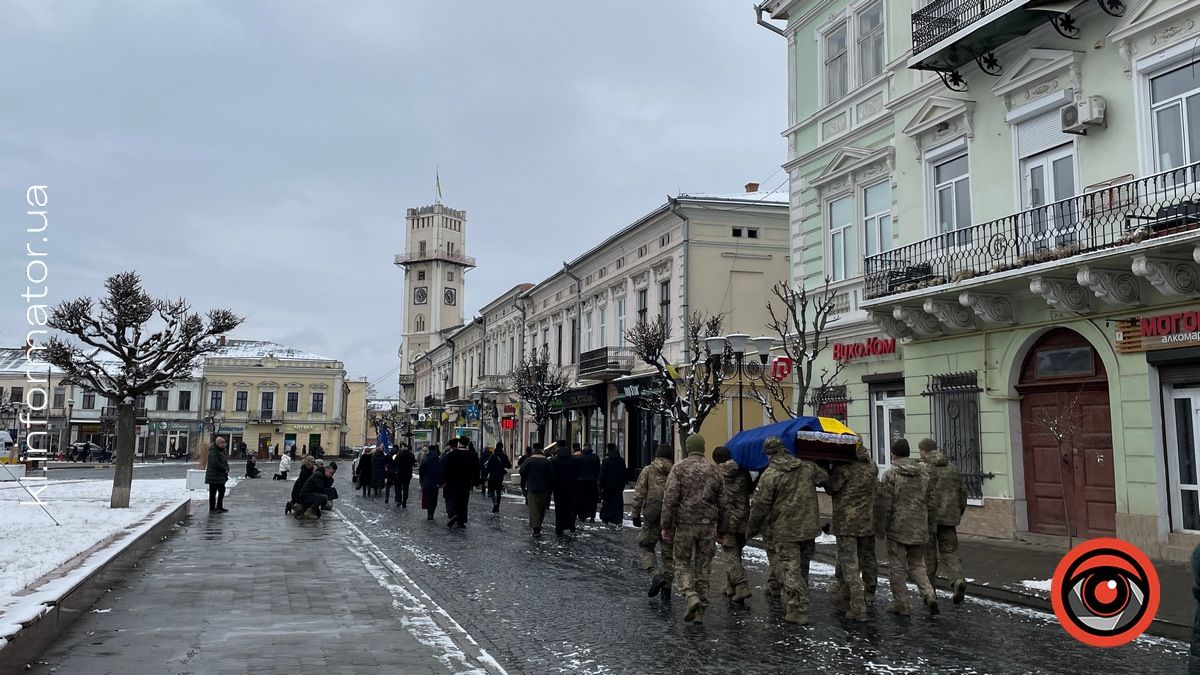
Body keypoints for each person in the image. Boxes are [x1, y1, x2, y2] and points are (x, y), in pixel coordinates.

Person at [746, 436, 829, 626]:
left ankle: (798, 609)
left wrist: (750, 528)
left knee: (790, 569)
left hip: (785, 529)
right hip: (808, 527)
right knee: (803, 568)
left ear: (769, 454)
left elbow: (760, 505)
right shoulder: (807, 467)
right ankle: (798, 601)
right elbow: (825, 478)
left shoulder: (771, 474)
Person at [661, 434, 725, 624]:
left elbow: (670, 499)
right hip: (707, 526)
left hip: (685, 525)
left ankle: (690, 595)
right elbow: (724, 502)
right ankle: (700, 611)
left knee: (680, 562)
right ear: (703, 448)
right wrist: (721, 529)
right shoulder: (714, 470)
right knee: (703, 567)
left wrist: (666, 525)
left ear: (688, 448)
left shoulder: (679, 468)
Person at [877, 438, 939, 616]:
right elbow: (930, 499)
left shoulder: (891, 475)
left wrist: (881, 527)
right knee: (918, 564)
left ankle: (901, 604)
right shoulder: (923, 473)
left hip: (898, 527)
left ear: (894, 454)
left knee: (897, 567)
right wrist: (929, 522)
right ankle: (929, 594)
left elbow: (885, 504)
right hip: (919, 526)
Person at [826, 438, 878, 621]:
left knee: (851, 567)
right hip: (866, 522)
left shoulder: (845, 467)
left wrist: (830, 470)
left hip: (847, 523)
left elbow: (832, 487)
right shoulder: (871, 466)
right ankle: (849, 595)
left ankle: (858, 607)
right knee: (861, 562)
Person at [921, 438, 968, 604]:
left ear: (923, 451)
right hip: (949, 518)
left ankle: (930, 593)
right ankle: (958, 580)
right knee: (950, 552)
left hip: (928, 519)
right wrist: (958, 513)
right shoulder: (952, 469)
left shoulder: (923, 468)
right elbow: (963, 493)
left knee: (929, 556)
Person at [632, 443, 674, 601]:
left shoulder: (648, 470)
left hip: (652, 514)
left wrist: (635, 513)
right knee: (668, 553)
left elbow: (639, 493)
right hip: (670, 516)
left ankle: (656, 574)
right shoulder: (675, 471)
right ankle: (667, 589)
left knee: (645, 545)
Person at [713, 445, 753, 607]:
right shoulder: (742, 470)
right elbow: (750, 489)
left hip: (726, 518)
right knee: (737, 552)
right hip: (743, 517)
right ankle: (731, 586)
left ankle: (742, 586)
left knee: (730, 553)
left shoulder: (716, 473)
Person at [441, 439, 481, 528]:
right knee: (463, 501)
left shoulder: (450, 455)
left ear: (459, 444)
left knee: (451, 499)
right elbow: (476, 470)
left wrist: (442, 481)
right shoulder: (472, 455)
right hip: (465, 483)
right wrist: (477, 482)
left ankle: (453, 514)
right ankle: (461, 521)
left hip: (451, 482)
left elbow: (444, 469)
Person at [519, 444, 554, 535]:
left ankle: (536, 528)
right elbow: (551, 475)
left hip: (532, 487)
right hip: (544, 489)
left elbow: (521, 471)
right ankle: (539, 525)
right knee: (541, 508)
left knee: (534, 508)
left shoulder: (528, 460)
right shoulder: (546, 461)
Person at [549, 441, 579, 536]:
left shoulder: (554, 460)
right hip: (572, 487)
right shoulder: (574, 460)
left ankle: (559, 528)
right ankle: (571, 526)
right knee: (571, 507)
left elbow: (551, 475)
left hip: (558, 489)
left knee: (559, 508)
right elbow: (578, 473)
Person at [598, 444, 626, 525]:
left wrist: (601, 486)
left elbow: (602, 474)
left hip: (608, 486)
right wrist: (623, 484)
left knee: (607, 502)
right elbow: (624, 473)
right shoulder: (621, 461)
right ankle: (617, 518)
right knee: (618, 502)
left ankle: (607, 517)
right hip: (618, 485)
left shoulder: (606, 461)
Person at [575, 445, 601, 523]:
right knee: (592, 500)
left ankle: (582, 516)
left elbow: (577, 470)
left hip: (581, 482)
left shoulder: (579, 458)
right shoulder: (595, 457)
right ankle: (592, 516)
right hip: (592, 481)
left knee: (582, 499)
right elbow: (598, 469)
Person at [484, 441, 512, 513]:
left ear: (496, 447)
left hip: (492, 476)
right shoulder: (504, 456)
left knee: (491, 490)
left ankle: (494, 502)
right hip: (500, 477)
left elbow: (488, 467)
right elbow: (509, 466)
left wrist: (485, 475)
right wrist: (503, 466)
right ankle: (498, 506)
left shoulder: (492, 456)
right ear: (502, 447)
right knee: (498, 491)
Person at [205, 436, 230, 513]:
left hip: (219, 475)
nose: (224, 444)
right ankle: (212, 509)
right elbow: (215, 463)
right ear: (218, 443)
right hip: (214, 476)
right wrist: (224, 469)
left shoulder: (221, 451)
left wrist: (227, 468)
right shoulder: (213, 451)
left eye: (224, 442)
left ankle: (219, 507)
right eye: (222, 443)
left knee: (222, 490)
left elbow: (224, 461)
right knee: (213, 492)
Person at [418, 445, 442, 520]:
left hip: (427, 481)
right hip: (436, 482)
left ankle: (429, 513)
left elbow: (421, 471)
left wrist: (422, 479)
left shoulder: (425, 460)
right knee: (434, 498)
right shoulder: (439, 460)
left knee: (428, 497)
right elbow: (441, 471)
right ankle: (432, 513)